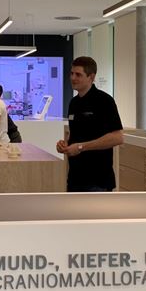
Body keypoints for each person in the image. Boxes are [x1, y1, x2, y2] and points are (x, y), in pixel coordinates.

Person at [56, 56, 124, 192]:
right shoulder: (74, 103)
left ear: (91, 77)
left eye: (78, 75)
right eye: (71, 73)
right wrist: (65, 145)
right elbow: (77, 134)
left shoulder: (104, 101)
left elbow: (118, 137)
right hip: (75, 178)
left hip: (97, 181)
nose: (73, 78)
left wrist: (81, 147)